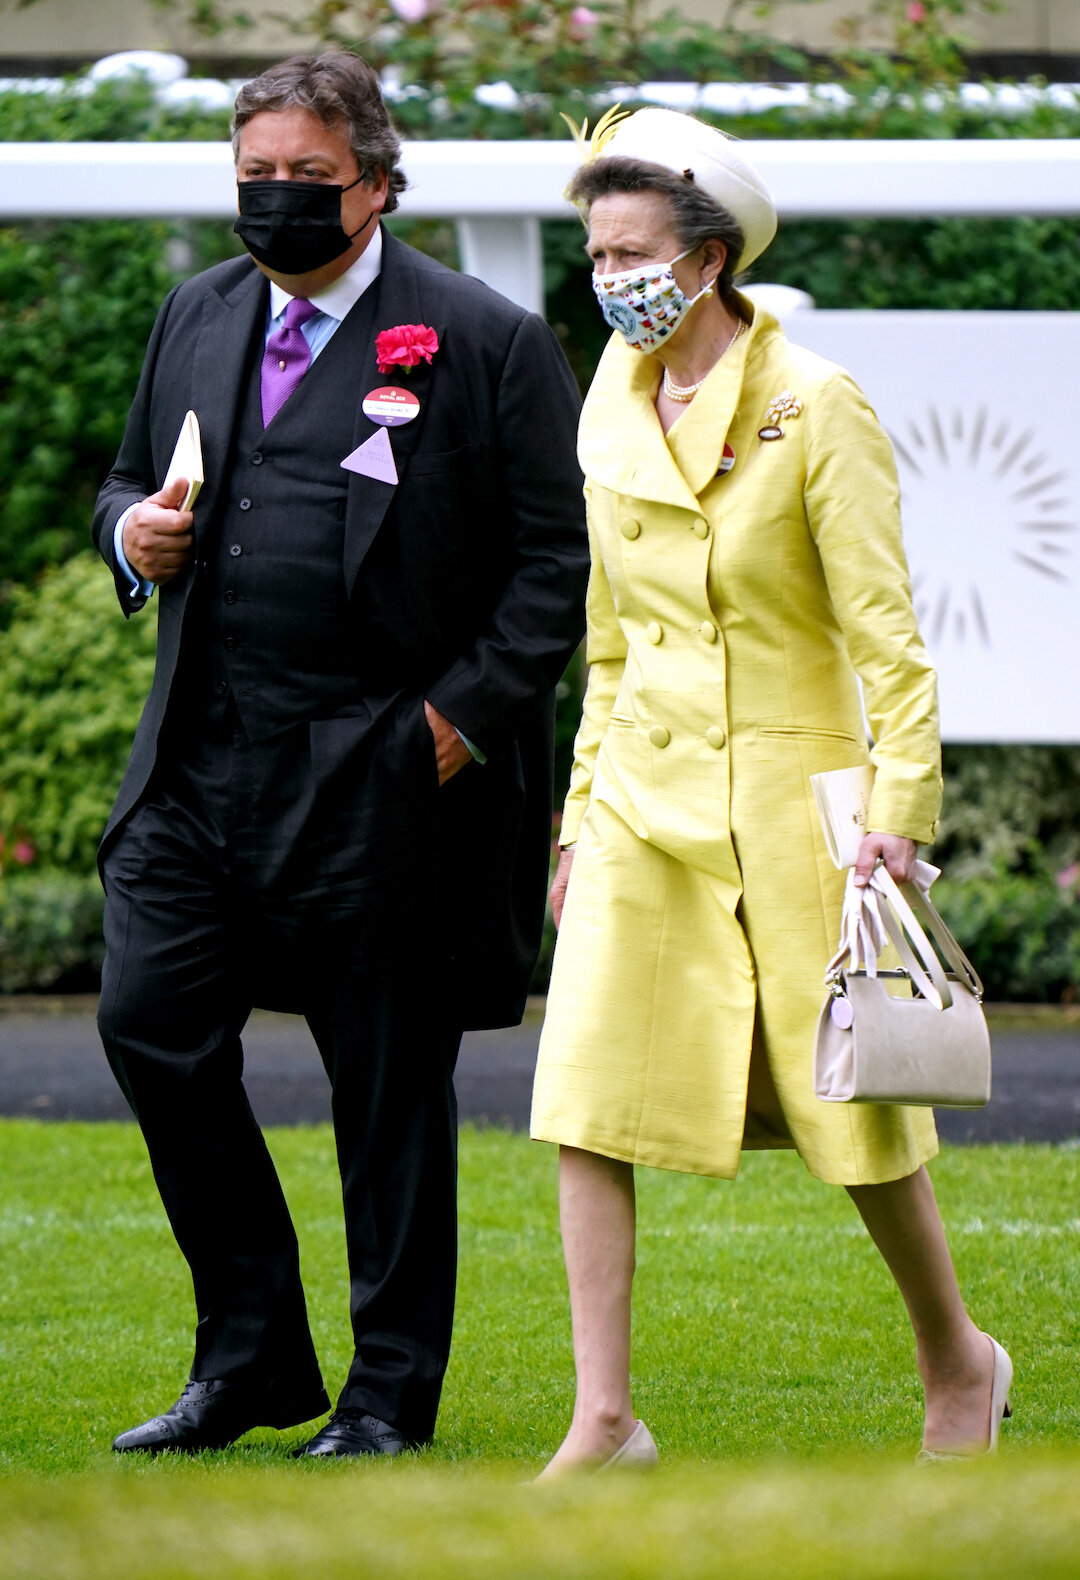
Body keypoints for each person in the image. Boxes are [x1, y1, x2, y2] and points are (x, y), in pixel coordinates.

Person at [92, 50, 588, 1459]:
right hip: (200, 760)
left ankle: (385, 1394)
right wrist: (132, 536)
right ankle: (248, 1356)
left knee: (386, 1092)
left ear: (376, 181)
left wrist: (449, 728)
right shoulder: (195, 314)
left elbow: (554, 564)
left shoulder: (482, 340)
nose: (279, 201)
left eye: (308, 179)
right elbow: (127, 479)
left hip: (379, 770)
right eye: (256, 177)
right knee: (147, 1020)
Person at [530, 107, 1012, 1473]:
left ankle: (960, 1365)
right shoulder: (608, 404)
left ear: (709, 256)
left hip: (798, 813)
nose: (610, 275)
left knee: (860, 1116)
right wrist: (576, 820)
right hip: (638, 806)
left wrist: (897, 818)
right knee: (584, 1101)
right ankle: (607, 1418)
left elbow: (887, 638)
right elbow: (610, 646)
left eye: (630, 251)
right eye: (593, 252)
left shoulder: (817, 402)